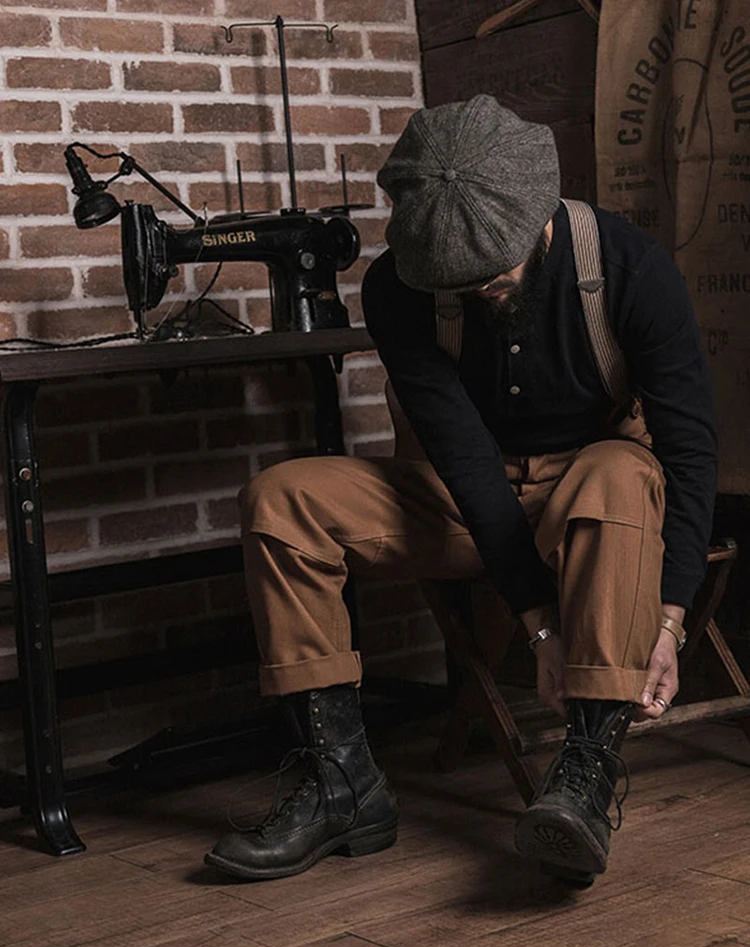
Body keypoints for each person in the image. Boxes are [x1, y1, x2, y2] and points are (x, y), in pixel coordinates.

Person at [204, 95, 717, 885]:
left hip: (598, 498)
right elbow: (465, 460)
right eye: (458, 280)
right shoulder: (398, 290)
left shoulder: (630, 269)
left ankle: (584, 776)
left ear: (539, 218)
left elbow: (689, 452)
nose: (480, 291)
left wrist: (672, 621)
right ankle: (343, 783)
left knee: (619, 471)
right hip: (468, 495)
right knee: (280, 501)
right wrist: (540, 628)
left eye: (493, 273)